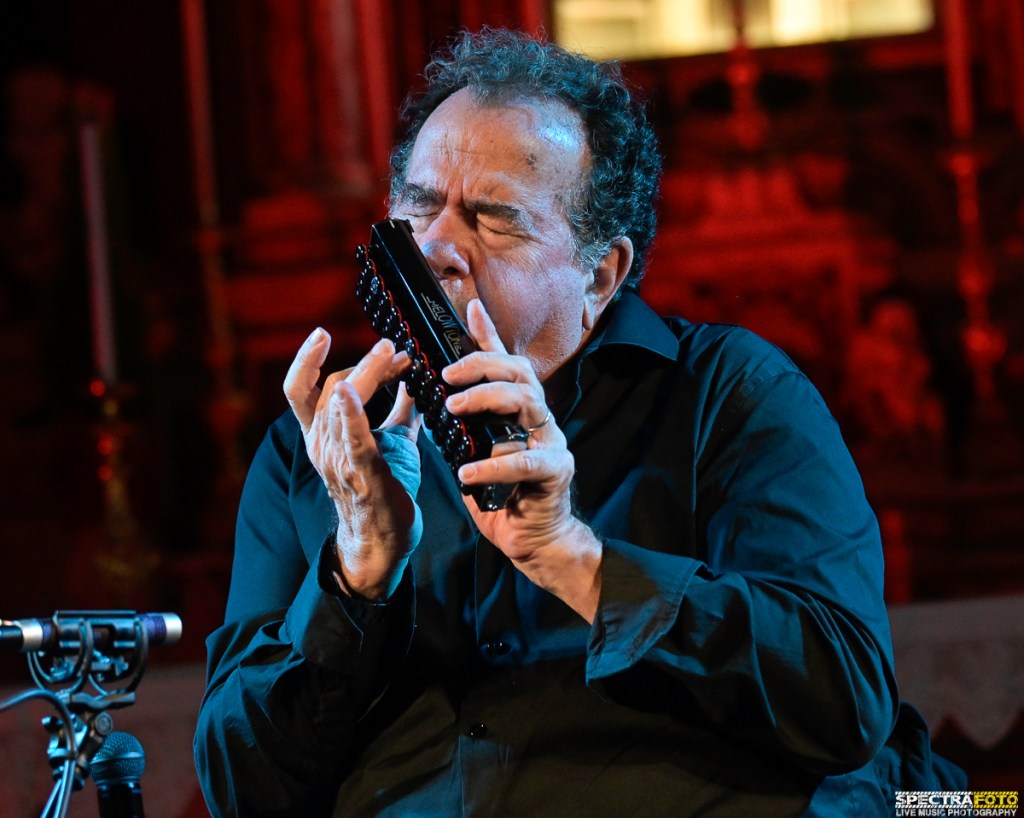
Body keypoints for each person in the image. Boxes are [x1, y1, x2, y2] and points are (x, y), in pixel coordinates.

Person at [194, 28, 958, 817]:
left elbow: (845, 702)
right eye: (418, 208)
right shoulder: (319, 449)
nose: (436, 247)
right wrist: (356, 574)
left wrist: (577, 560)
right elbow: (242, 790)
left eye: (493, 219)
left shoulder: (730, 393)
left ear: (600, 275)